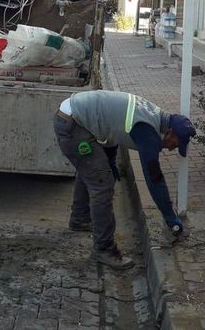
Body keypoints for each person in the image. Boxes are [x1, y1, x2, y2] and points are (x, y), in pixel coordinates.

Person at [54, 90, 197, 269]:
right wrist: (169, 215)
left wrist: (110, 158)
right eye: (174, 144)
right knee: (102, 183)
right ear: (169, 132)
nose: (170, 149)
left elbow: (114, 127)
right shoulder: (147, 130)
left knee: (93, 171)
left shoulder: (153, 114)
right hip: (74, 125)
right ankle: (104, 249)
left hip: (74, 116)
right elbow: (154, 178)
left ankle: (80, 218)